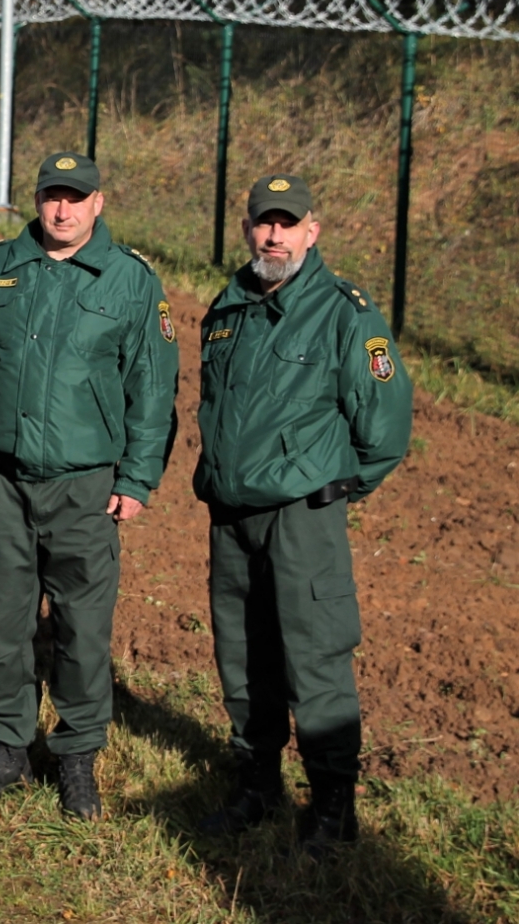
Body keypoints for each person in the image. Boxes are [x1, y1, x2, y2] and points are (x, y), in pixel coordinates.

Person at [0, 151, 179, 819]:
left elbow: (153, 387)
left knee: (82, 628)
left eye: (76, 197)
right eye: (52, 195)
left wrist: (137, 477)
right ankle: (7, 746)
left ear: (98, 202)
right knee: (3, 621)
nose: (63, 209)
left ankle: (76, 755)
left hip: (86, 485)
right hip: (7, 480)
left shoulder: (130, 280)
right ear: (37, 198)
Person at [193, 174, 412, 857]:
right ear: (247, 228)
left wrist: (331, 488)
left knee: (315, 660)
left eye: (288, 224)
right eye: (264, 222)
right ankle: (255, 785)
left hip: (301, 517)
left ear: (312, 231)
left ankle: (332, 807)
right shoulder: (228, 306)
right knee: (242, 657)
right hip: (232, 517)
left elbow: (386, 426)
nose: (274, 236)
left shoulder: (345, 312)